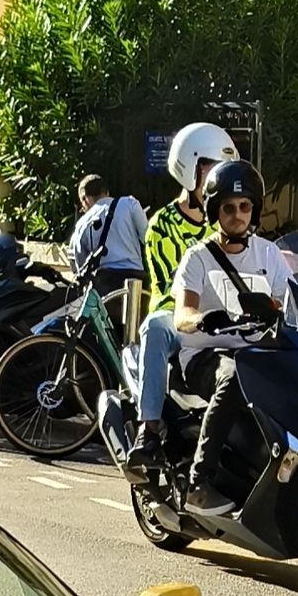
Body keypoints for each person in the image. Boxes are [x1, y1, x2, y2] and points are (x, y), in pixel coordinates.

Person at [171, 159, 297, 516]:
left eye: (244, 207)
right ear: (215, 211)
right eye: (228, 207)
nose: (237, 215)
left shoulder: (269, 255)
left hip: (258, 353)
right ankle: (199, 483)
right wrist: (202, 320)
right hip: (205, 356)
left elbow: (291, 301)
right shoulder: (198, 259)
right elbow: (182, 314)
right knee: (233, 375)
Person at [129, 121, 238, 459]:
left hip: (225, 316)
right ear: (189, 169)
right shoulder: (162, 225)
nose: (217, 177)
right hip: (178, 316)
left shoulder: (225, 221)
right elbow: (169, 286)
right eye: (211, 169)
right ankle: (147, 431)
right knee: (154, 329)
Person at [65, 174, 146, 297]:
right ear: (106, 192)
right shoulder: (130, 204)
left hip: (105, 285)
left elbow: (79, 263)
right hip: (136, 280)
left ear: (84, 198)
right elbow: (148, 238)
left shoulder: (82, 223)